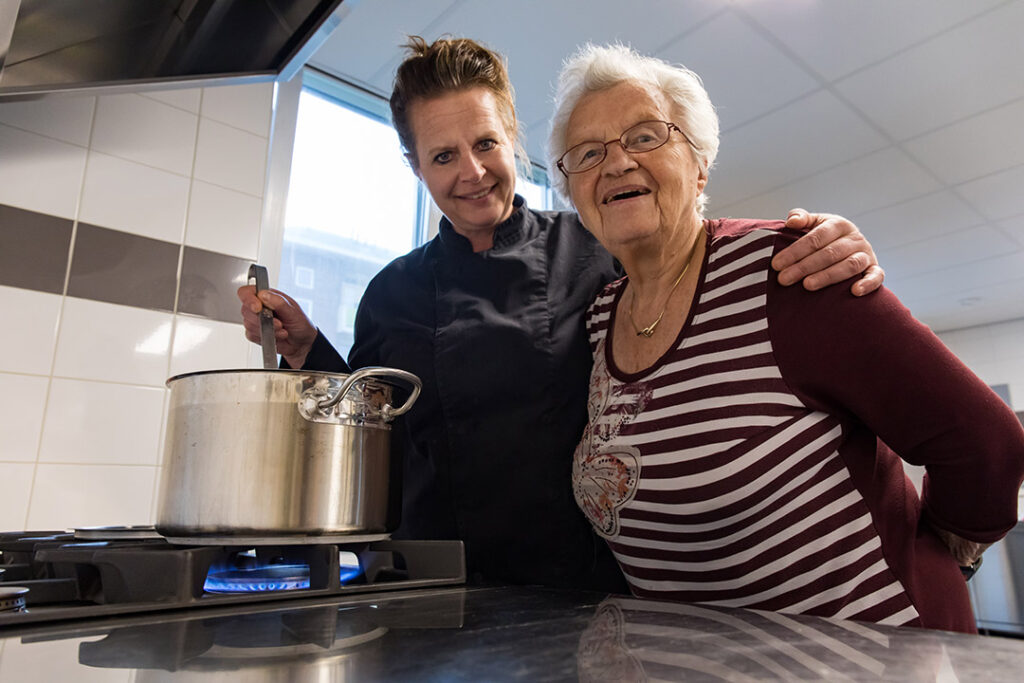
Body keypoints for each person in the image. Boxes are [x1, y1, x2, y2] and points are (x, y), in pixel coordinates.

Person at [239, 37, 885, 591]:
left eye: (485, 143)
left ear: (512, 137)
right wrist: (307, 351)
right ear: (413, 166)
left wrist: (809, 245)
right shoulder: (390, 294)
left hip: (586, 585)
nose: (472, 172)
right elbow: (374, 433)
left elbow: (694, 267)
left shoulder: (597, 247)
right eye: (442, 156)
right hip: (435, 588)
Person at [550, 44, 1024, 631]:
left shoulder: (789, 266)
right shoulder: (599, 318)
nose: (617, 163)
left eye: (646, 136)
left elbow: (987, 441)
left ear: (699, 165)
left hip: (872, 659)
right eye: (588, 153)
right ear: (573, 191)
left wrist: (947, 555)